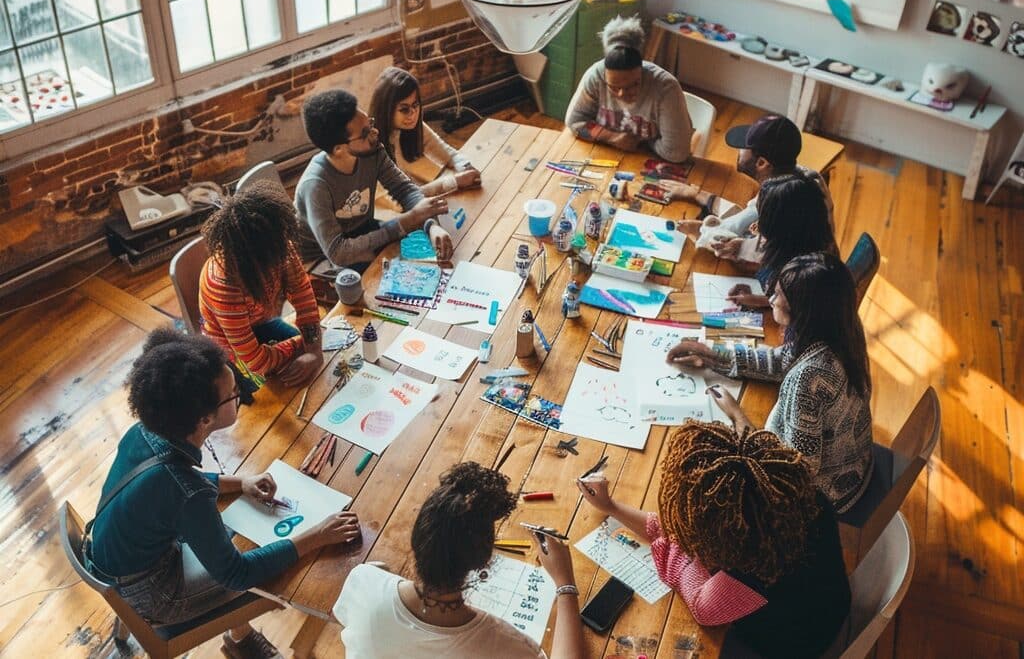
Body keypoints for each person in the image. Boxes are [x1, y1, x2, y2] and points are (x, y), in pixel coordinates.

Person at [86, 329, 361, 659]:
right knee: (274, 581)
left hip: (114, 554)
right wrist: (315, 535)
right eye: (234, 394)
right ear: (204, 419)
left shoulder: (146, 430)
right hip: (153, 591)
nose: (240, 395)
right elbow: (237, 573)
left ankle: (240, 637)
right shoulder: (184, 489)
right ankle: (241, 640)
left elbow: (182, 484)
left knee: (247, 526)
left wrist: (241, 482)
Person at [577, 421, 851, 659]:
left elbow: (693, 591)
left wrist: (675, 536)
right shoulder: (801, 497)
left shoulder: (734, 585)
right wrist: (611, 507)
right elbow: (677, 533)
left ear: (718, 534)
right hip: (830, 604)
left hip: (799, 646)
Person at [667, 252, 873, 513]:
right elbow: (782, 361)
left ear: (802, 312)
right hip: (856, 462)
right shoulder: (843, 327)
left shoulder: (809, 379)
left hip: (828, 495)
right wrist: (713, 355)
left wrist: (738, 419)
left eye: (778, 297)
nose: (771, 300)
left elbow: (795, 470)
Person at [334, 462, 586, 659]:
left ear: (416, 538)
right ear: (484, 560)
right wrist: (565, 584)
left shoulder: (364, 582)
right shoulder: (509, 646)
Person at [295, 89, 453, 271]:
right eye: (364, 133)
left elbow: (405, 189)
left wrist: (431, 225)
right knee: (386, 278)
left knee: (417, 252)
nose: (375, 132)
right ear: (339, 149)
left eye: (370, 123)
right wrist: (405, 222)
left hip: (360, 231)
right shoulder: (315, 186)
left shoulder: (372, 151)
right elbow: (338, 252)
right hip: (321, 258)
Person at [200, 181, 324, 386]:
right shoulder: (223, 284)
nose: (279, 264)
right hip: (229, 351)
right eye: (269, 266)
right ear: (250, 262)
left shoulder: (277, 246)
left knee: (314, 372)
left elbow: (303, 295)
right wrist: (306, 343)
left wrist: (314, 350)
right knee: (276, 396)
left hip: (262, 324)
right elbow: (256, 363)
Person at [667, 114, 833, 261]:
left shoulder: (787, 199)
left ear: (762, 163)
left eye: (744, 147)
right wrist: (698, 194)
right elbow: (747, 217)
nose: (738, 150)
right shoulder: (791, 176)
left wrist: (705, 235)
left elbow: (756, 257)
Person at [565, 16, 694, 163]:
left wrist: (639, 143)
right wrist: (613, 137)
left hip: (649, 162)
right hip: (606, 155)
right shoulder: (596, 75)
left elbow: (677, 152)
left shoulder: (666, 88)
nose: (621, 94)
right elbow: (574, 121)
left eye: (632, 85)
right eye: (613, 87)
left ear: (642, 71)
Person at [724, 172, 838, 309]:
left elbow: (794, 307)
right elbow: (790, 300)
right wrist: (760, 299)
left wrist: (768, 301)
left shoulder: (806, 274)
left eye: (763, 220)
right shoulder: (807, 242)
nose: (757, 226)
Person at [369, 66, 481, 196]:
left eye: (415, 105)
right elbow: (401, 200)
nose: (413, 114)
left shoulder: (413, 126)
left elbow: (449, 153)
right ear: (386, 110)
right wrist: (454, 182)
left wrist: (466, 167)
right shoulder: (371, 147)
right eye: (404, 109)